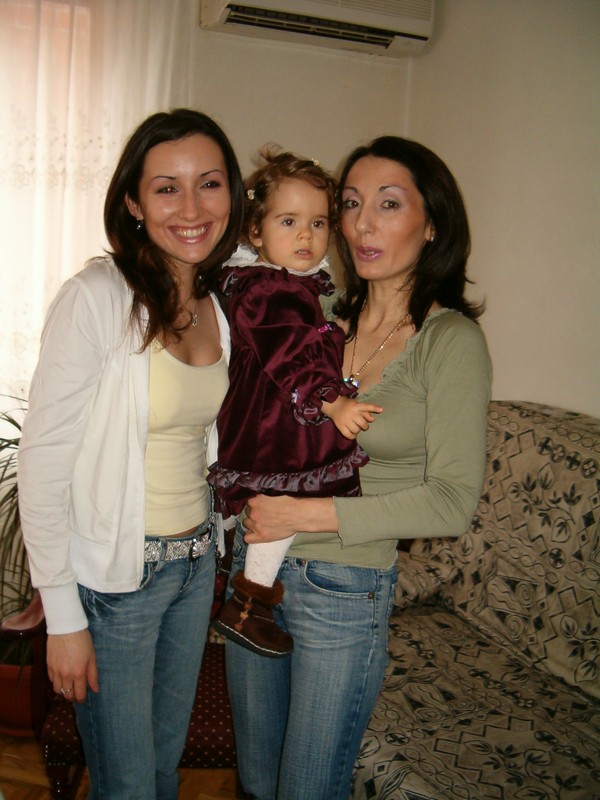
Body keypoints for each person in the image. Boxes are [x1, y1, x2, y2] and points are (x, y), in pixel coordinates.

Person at [224, 136, 493, 800]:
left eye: (389, 204)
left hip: (344, 589)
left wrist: (304, 513)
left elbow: (452, 502)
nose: (362, 224)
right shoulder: (315, 311)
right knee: (256, 780)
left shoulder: (450, 342)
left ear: (432, 224)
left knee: (306, 788)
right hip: (254, 567)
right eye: (350, 204)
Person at [17, 108, 244, 800]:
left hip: (195, 565)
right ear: (134, 203)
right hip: (118, 582)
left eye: (209, 184)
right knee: (125, 783)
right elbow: (43, 461)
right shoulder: (96, 298)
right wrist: (64, 618)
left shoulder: (219, 300)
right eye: (166, 188)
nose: (192, 208)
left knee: (161, 769)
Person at [207, 148, 381, 658]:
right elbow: (290, 356)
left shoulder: (285, 286)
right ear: (256, 232)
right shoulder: (268, 291)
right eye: (289, 221)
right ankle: (247, 604)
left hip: (275, 417)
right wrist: (332, 403)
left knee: (281, 506)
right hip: (275, 424)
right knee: (284, 500)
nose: (306, 235)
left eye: (318, 223)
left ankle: (246, 593)